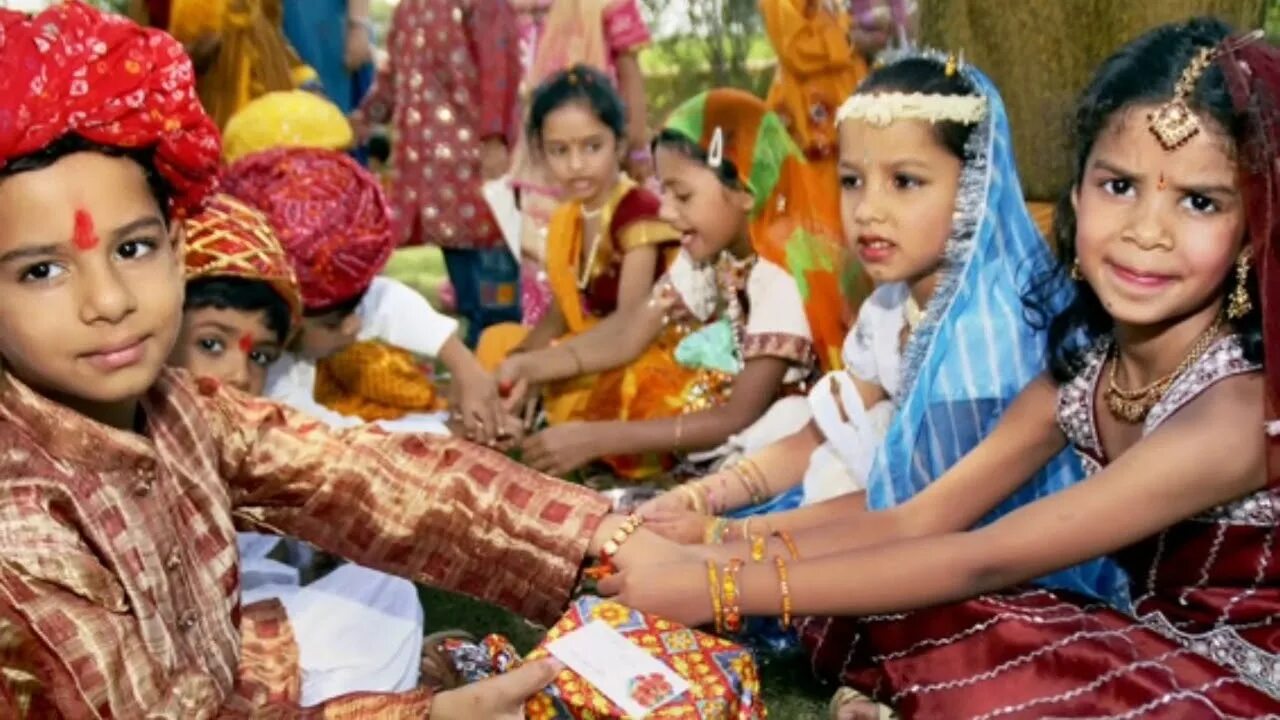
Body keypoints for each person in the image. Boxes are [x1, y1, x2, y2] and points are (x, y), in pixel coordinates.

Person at [0, 5, 679, 715]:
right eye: (41, 271)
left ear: (176, 245)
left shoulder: (184, 410)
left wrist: (607, 535)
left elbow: (368, 479)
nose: (106, 300)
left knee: (380, 591)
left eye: (132, 248)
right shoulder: (19, 534)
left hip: (226, 669)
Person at [600, 19, 1280, 717]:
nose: (1147, 230)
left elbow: (983, 556)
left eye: (1199, 201)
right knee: (912, 599)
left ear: (1253, 227)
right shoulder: (1090, 369)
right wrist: (710, 553)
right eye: (1119, 186)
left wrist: (718, 588)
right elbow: (917, 521)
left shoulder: (1235, 410)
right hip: (1144, 644)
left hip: (1242, 690)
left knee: (968, 601)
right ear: (1076, 194)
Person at [634, 53, 1131, 611]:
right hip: (903, 532)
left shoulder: (987, 342)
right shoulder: (894, 306)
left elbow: (912, 521)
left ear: (975, 187)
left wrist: (719, 544)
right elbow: (815, 440)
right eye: (852, 181)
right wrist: (699, 498)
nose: (868, 209)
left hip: (997, 576)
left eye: (905, 181)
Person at [498, 89, 848, 477]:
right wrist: (530, 366)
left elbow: (737, 416)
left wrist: (596, 438)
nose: (665, 211)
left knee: (779, 427)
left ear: (745, 191)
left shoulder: (779, 275)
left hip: (782, 428)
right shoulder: (708, 253)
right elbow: (631, 330)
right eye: (663, 191)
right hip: (731, 416)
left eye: (681, 195)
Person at [172, 192, 429, 705]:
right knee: (385, 612)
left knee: (388, 593)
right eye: (212, 344)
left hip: (233, 613)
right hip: (176, 664)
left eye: (260, 355)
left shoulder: (237, 426)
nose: (239, 375)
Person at [477, 65, 697, 479]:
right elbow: (563, 309)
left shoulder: (639, 213)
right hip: (584, 341)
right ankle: (519, 413)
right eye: (560, 151)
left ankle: (557, 422)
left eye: (591, 147)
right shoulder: (568, 217)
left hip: (638, 346)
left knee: (626, 383)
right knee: (496, 342)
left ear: (618, 143)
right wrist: (524, 356)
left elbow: (628, 325)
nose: (576, 165)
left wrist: (545, 365)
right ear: (541, 153)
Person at [221, 147, 511, 443]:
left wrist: (465, 366)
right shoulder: (255, 373)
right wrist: (448, 432)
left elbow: (380, 299)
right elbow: (330, 440)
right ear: (282, 320)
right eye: (333, 323)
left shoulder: (283, 302)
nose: (355, 325)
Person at [353, 0, 525, 347]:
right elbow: (392, 78)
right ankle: (482, 364)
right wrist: (365, 117)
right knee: (466, 288)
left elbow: (499, 70)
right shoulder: (408, 10)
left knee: (496, 291)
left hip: (478, 165)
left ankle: (507, 364)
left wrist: (494, 140)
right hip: (432, 178)